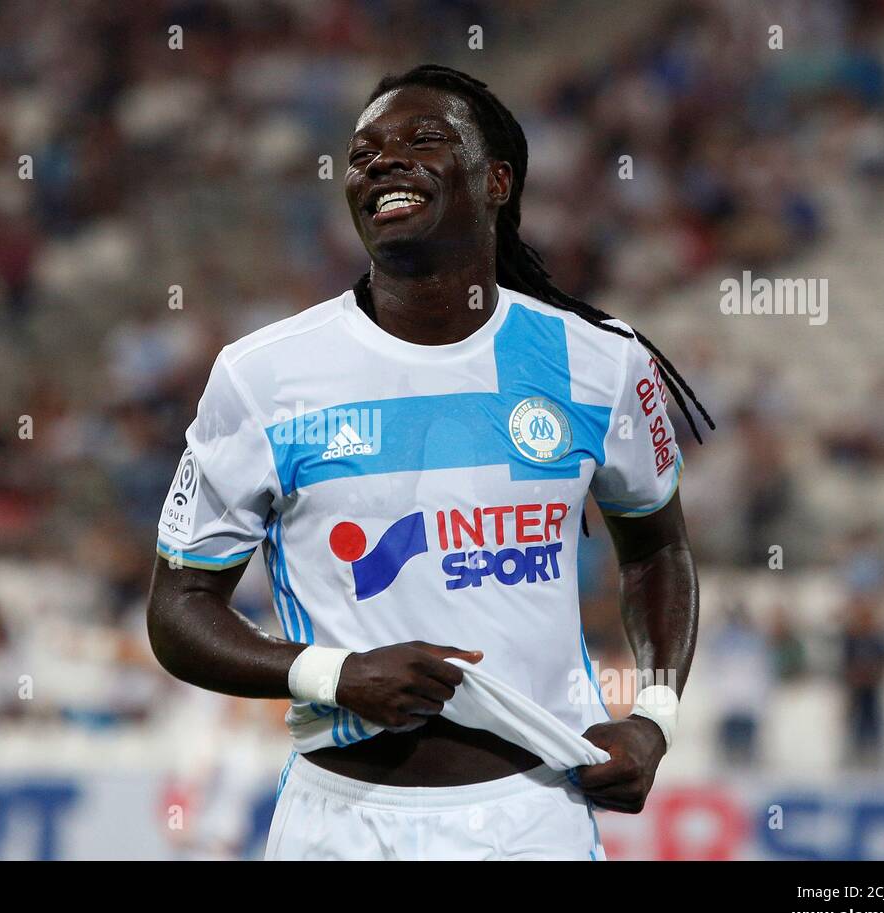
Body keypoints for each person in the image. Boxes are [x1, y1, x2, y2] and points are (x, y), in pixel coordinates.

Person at [147, 65, 710, 860]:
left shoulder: (599, 363)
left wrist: (655, 717)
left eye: (423, 140)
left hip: (533, 818)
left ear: (498, 181)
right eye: (363, 152)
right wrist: (332, 674)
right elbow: (177, 611)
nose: (381, 161)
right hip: (339, 823)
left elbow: (659, 550)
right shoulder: (263, 374)